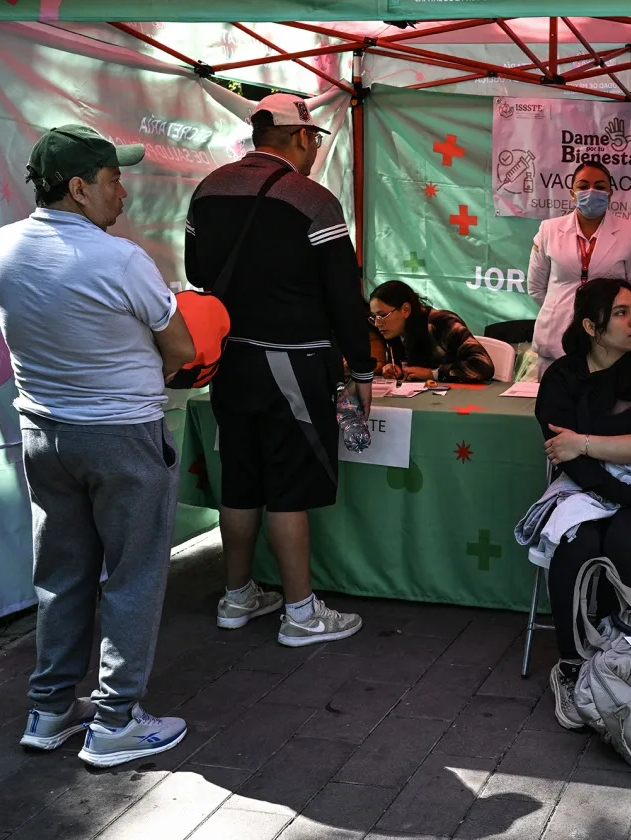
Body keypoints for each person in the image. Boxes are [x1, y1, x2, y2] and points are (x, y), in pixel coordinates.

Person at [0, 125, 195, 766]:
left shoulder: (3, 246)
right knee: (133, 575)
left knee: (62, 573)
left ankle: (50, 707)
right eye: (112, 180)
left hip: (44, 432)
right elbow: (183, 348)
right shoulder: (120, 259)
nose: (123, 192)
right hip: (121, 436)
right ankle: (115, 721)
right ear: (79, 188)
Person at [186, 94, 373, 647]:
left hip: (230, 361)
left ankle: (237, 597)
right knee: (289, 483)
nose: (316, 149)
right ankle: (301, 613)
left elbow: (197, 269)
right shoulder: (312, 199)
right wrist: (361, 369)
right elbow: (345, 294)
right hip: (293, 360)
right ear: (298, 137)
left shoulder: (207, 189)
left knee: (240, 480)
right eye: (314, 138)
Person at [532, 277, 631, 730]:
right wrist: (625, 492)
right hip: (587, 487)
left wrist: (585, 443)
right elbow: (567, 459)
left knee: (625, 539)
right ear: (592, 326)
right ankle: (572, 666)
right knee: (576, 545)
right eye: (622, 312)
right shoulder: (562, 376)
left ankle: (615, 657)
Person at [527, 160, 631, 376]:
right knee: (556, 406)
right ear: (571, 193)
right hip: (555, 339)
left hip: (609, 344)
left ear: (610, 193)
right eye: (583, 186)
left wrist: (607, 315)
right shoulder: (549, 230)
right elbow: (536, 288)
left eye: (600, 187)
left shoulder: (629, 232)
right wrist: (566, 309)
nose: (591, 192)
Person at [368, 280, 494, 382]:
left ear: (405, 309)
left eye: (382, 315)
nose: (377, 323)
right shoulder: (396, 333)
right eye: (374, 317)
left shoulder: (442, 322)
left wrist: (433, 374)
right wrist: (395, 369)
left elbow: (483, 366)